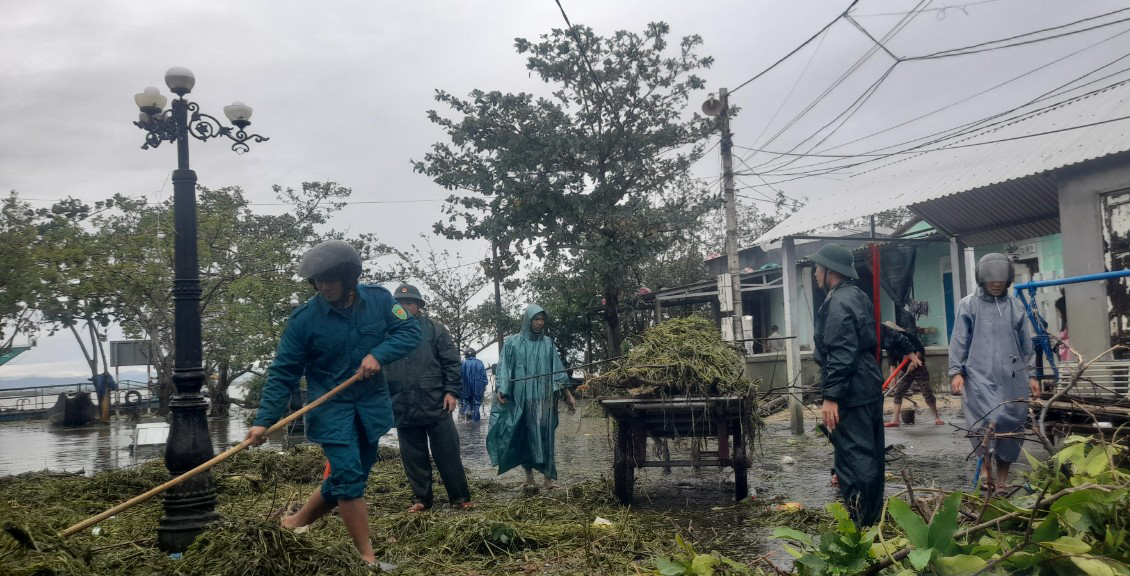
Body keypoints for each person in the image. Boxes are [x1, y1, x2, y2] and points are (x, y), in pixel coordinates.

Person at [245, 240, 421, 567]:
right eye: (317, 281)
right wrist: (263, 421)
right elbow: (283, 372)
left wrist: (378, 355)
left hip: (370, 407)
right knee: (349, 477)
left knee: (347, 478)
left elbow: (410, 332)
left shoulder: (380, 300)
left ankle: (294, 522)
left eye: (330, 280)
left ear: (349, 277)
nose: (323, 286)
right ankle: (367, 558)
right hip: (331, 410)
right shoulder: (304, 320)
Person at [948, 252, 1039, 494]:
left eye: (1001, 282)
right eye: (992, 282)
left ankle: (1002, 480)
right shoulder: (969, 305)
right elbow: (959, 340)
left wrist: (1031, 375)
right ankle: (986, 472)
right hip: (979, 375)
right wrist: (956, 371)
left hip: (1013, 376)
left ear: (1008, 280)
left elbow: (1026, 343)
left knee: (1012, 424)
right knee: (984, 423)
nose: (996, 285)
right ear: (982, 279)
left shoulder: (1015, 306)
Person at [810, 243, 886, 526]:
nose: (815, 273)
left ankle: (861, 526)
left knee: (855, 459)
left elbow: (841, 351)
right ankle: (872, 521)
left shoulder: (838, 302)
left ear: (829, 270)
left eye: (817, 268)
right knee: (871, 454)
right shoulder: (857, 295)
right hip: (868, 383)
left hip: (851, 390)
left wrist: (831, 396)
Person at [383, 283, 472, 512]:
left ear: (419, 305)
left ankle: (459, 497)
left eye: (409, 303)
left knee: (448, 452)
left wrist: (451, 391)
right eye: (399, 304)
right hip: (401, 403)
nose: (404, 307)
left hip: (436, 401)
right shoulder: (384, 333)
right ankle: (422, 499)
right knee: (413, 456)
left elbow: (451, 362)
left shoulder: (435, 329)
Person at [486, 305, 576, 489]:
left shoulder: (548, 343)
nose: (540, 323)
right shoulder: (512, 343)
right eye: (536, 319)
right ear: (528, 320)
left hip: (544, 400)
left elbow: (557, 372)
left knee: (545, 436)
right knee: (523, 435)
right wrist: (502, 389)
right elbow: (504, 368)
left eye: (542, 319)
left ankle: (548, 479)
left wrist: (568, 395)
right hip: (521, 399)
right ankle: (529, 478)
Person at [883, 314, 941, 427]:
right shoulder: (889, 343)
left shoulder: (908, 336)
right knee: (898, 393)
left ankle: (936, 417)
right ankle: (895, 420)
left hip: (918, 366)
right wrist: (892, 377)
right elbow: (891, 361)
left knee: (926, 391)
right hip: (904, 369)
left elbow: (920, 350)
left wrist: (913, 363)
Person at [461, 347, 488, 422]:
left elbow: (460, 376)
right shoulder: (480, 363)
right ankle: (476, 422)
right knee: (477, 404)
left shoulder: (463, 363)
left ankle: (467, 421)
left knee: (466, 403)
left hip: (466, 387)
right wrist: (484, 385)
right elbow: (484, 375)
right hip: (478, 387)